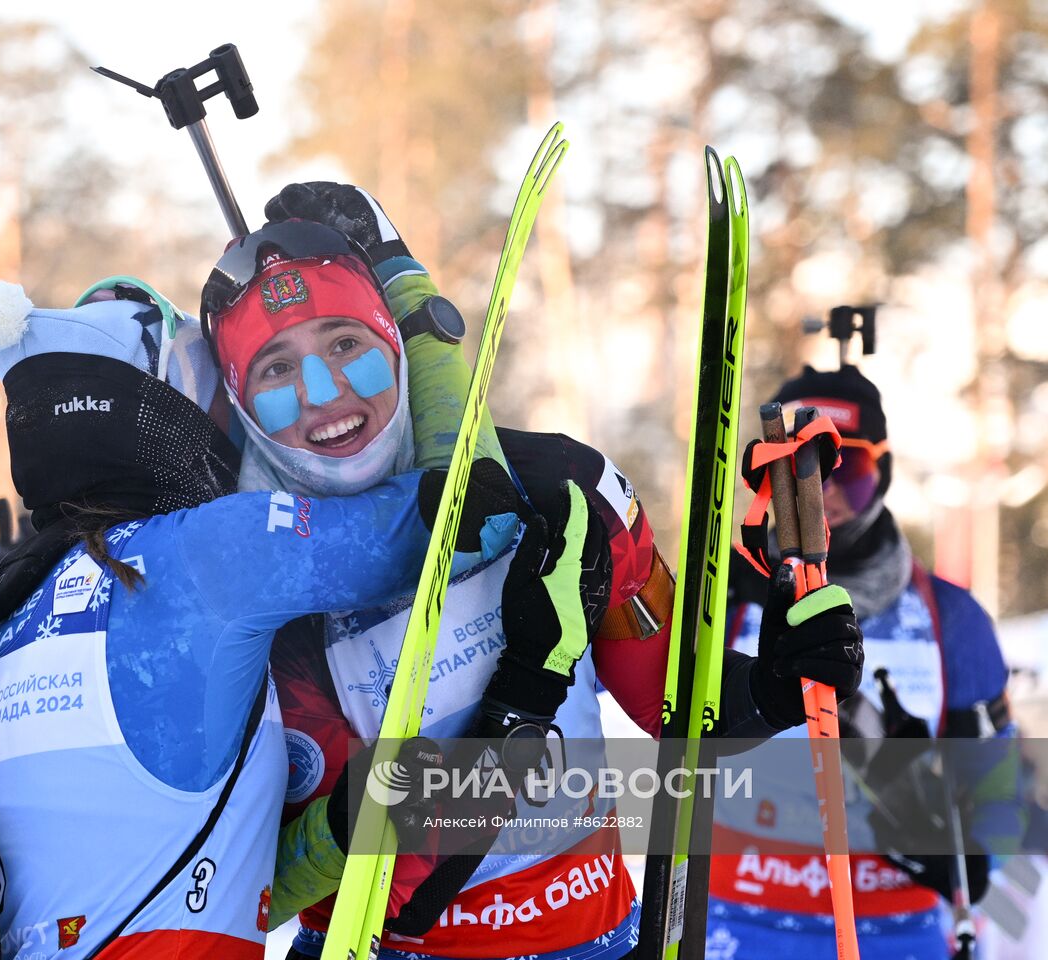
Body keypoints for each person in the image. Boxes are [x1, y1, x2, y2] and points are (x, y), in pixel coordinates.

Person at [196, 183, 868, 960]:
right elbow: (392, 886)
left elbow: (677, 711)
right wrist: (525, 689)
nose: (325, 394)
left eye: (347, 343)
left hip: (595, 934)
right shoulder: (263, 591)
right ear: (242, 405)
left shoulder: (560, 485)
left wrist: (775, 685)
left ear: (396, 343)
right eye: (277, 369)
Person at [0, 278, 526, 960]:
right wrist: (414, 312)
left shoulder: (4, 613)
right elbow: (468, 511)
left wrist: (336, 837)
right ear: (163, 406)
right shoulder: (209, 551)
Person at [707, 363, 1022, 959]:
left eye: (847, 469)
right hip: (737, 925)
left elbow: (1001, 788)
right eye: (796, 468)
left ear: (886, 474)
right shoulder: (719, 601)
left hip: (897, 932)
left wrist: (967, 859)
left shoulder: (948, 619)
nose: (822, 491)